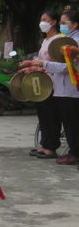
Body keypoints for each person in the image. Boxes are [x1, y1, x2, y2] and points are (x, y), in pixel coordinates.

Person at [28, 9, 79, 166]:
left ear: (75, 24)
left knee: (72, 124)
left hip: (70, 89)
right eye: (62, 22)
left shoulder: (73, 42)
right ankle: (72, 151)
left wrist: (44, 64)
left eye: (65, 23)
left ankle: (74, 153)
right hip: (60, 88)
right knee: (68, 123)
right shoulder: (65, 39)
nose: (62, 25)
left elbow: (66, 66)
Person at [18, 11, 62, 158]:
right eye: (41, 19)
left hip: (52, 83)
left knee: (51, 115)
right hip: (41, 82)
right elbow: (40, 59)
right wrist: (30, 67)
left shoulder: (58, 40)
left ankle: (52, 146)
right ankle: (45, 144)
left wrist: (36, 64)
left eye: (45, 19)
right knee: (43, 114)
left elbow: (56, 62)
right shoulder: (45, 40)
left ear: (53, 22)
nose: (41, 22)